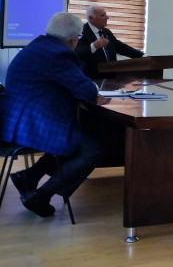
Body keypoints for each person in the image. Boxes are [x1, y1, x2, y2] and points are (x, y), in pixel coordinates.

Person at [2, 12, 101, 218]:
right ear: (75, 39)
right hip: (32, 124)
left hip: (14, 120)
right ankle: (42, 195)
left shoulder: (36, 46)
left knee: (75, 138)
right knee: (92, 149)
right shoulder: (60, 54)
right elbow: (87, 91)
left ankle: (28, 176)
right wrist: (90, 85)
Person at [76, 5, 144, 78]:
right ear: (91, 18)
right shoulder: (81, 32)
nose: (107, 17)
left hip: (110, 80)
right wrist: (94, 46)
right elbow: (79, 54)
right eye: (103, 15)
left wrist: (142, 56)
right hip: (91, 80)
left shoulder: (106, 32)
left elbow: (121, 47)